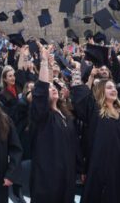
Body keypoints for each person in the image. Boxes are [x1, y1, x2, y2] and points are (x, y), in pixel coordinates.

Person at [71, 63, 120, 203]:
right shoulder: (94, 110)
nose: (114, 90)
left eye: (114, 87)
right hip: (101, 166)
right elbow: (80, 97)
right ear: (100, 91)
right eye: (109, 87)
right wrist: (82, 72)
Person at [29, 43, 80, 203]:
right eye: (49, 88)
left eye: (55, 87)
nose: (53, 89)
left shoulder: (65, 115)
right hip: (48, 176)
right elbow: (41, 89)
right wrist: (44, 62)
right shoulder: (43, 116)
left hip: (67, 175)